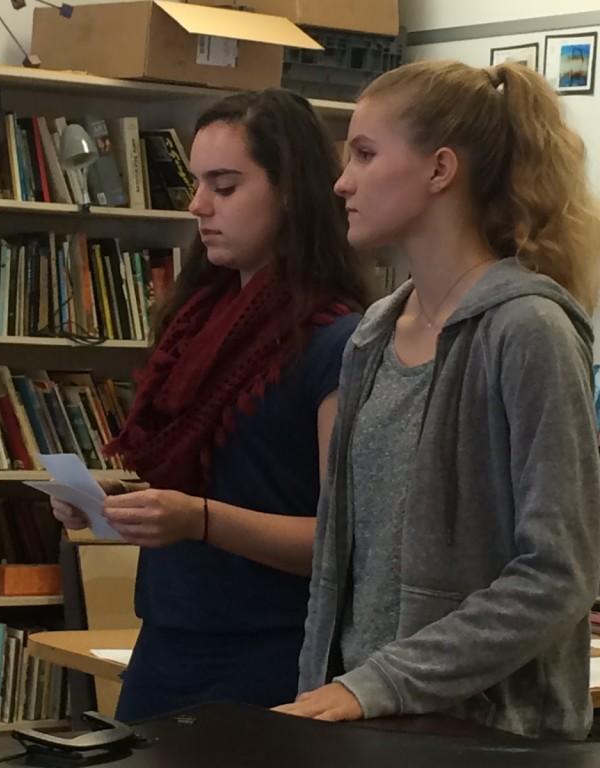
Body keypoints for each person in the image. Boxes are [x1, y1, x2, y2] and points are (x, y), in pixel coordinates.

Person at [276, 60, 600, 739]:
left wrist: (381, 683)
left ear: (440, 170)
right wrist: (327, 692)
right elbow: (343, 564)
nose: (342, 181)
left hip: (489, 739)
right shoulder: (371, 334)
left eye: (366, 154)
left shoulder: (529, 331)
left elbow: (557, 574)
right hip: (367, 728)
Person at [52, 89, 371, 721]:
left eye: (223, 186)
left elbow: (343, 542)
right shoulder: (197, 324)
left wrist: (198, 519)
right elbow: (210, 481)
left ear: (289, 192)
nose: (198, 205)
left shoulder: (338, 341)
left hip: (270, 654)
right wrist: (117, 501)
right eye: (198, 184)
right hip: (168, 636)